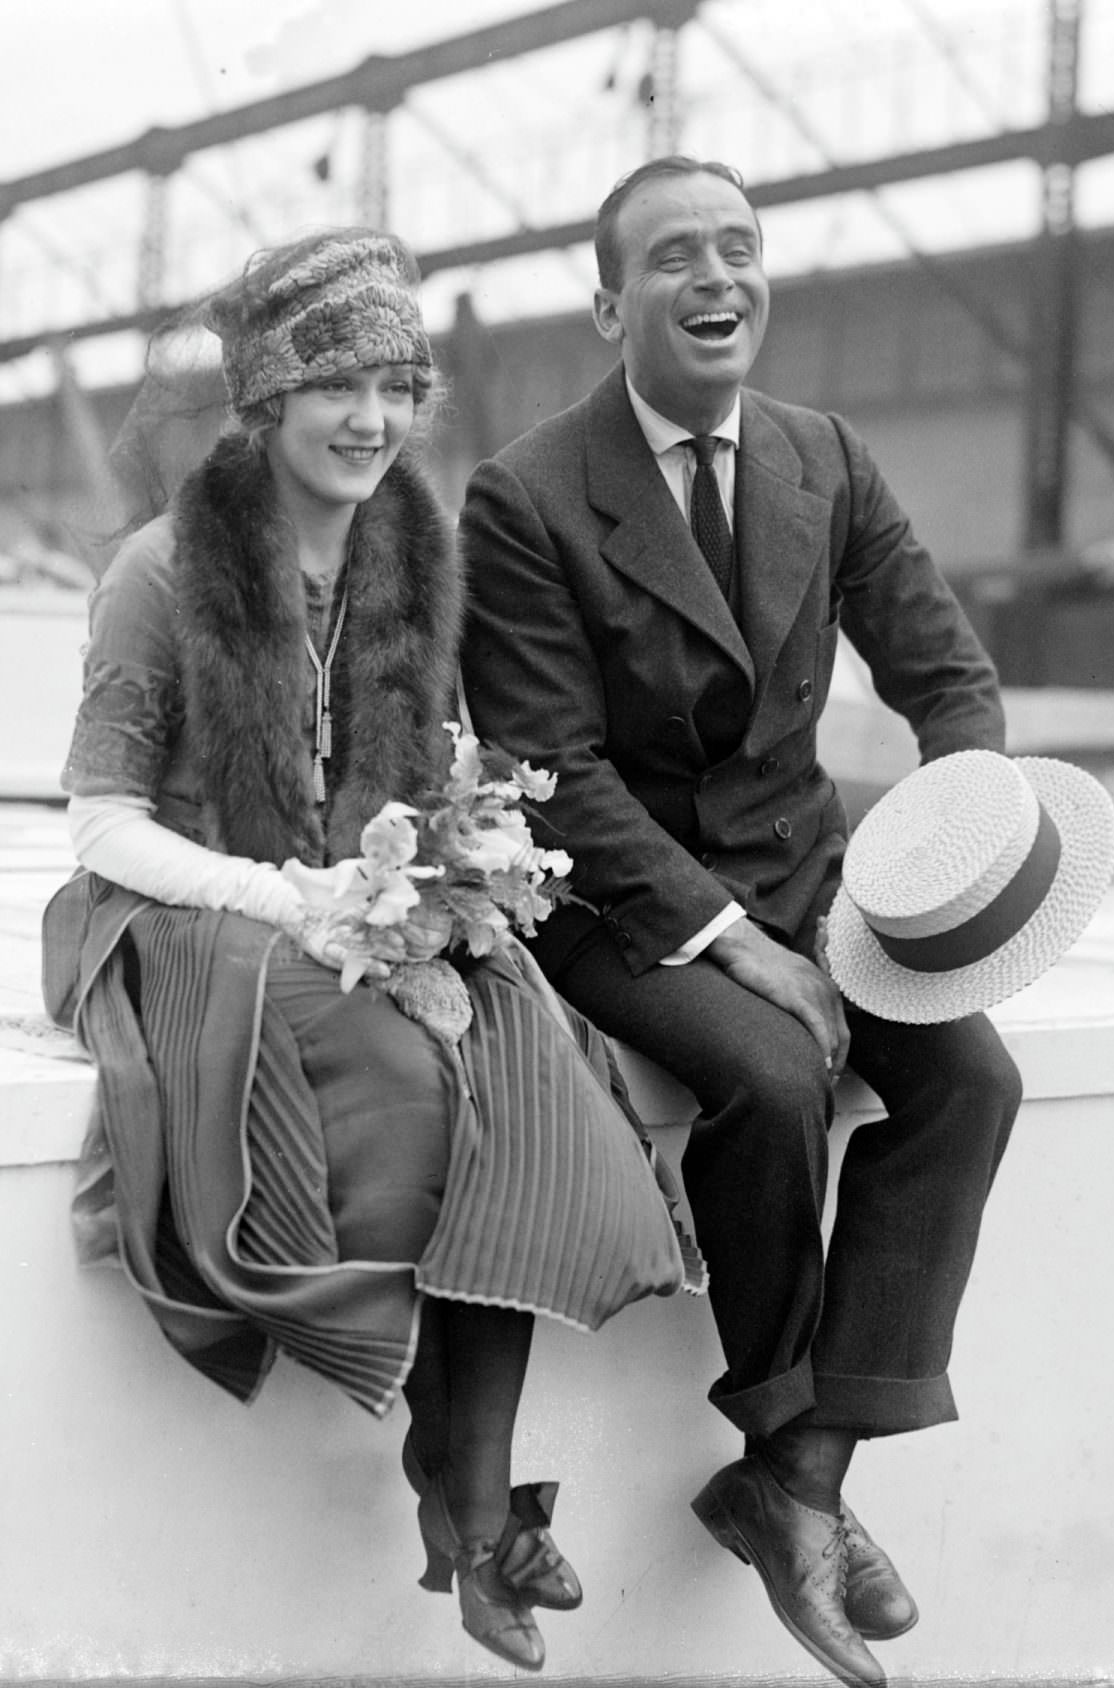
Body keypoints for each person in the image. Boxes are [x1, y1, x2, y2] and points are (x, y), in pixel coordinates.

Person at [41, 227, 699, 1676]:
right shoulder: (164, 573)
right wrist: (290, 903)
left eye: (399, 385)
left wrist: (461, 849)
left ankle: (466, 1495)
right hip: (191, 908)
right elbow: (99, 826)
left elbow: (425, 756)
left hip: (367, 893)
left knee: (522, 1058)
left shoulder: (421, 552)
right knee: (408, 1084)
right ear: (267, 401)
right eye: (338, 383)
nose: (372, 419)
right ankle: (471, 1505)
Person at [458, 157, 1023, 1688]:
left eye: (742, 249)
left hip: (813, 882)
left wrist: (943, 855)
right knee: (768, 1078)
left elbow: (947, 680)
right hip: (619, 906)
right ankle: (782, 1444)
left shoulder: (822, 456)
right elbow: (553, 775)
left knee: (972, 1078)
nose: (719, 278)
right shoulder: (522, 496)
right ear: (607, 303)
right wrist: (741, 945)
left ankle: (805, 1472)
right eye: (675, 257)